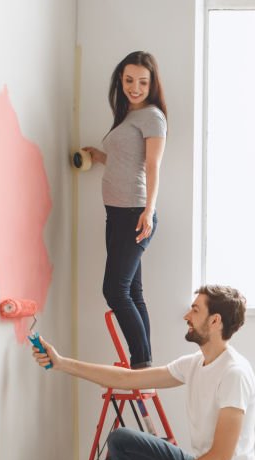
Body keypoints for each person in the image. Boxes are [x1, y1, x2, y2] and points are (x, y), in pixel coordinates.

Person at [32, 285, 255, 460]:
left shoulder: (233, 373)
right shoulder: (196, 363)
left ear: (215, 321)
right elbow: (127, 379)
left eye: (196, 309)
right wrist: (62, 363)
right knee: (122, 439)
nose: (187, 315)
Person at [82, 51, 167, 369]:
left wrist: (149, 209)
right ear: (121, 79)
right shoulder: (128, 117)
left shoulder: (153, 116)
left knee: (115, 290)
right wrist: (100, 157)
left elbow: (153, 165)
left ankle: (141, 364)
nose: (135, 87)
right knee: (132, 289)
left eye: (142, 82)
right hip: (117, 213)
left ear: (151, 84)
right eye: (129, 80)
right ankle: (143, 361)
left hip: (135, 213)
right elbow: (126, 160)